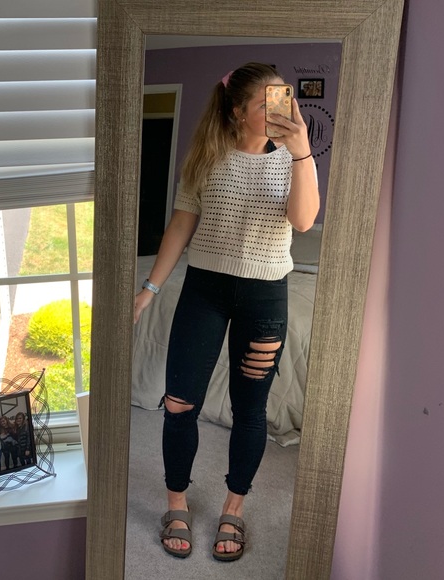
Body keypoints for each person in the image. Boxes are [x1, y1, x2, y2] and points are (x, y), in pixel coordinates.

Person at [134, 62, 319, 561]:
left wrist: (301, 150)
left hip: (265, 297)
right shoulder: (206, 155)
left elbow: (304, 221)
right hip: (205, 290)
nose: (281, 109)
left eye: (284, 98)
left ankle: (233, 510)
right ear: (237, 111)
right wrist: (150, 288)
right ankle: (177, 502)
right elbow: (181, 224)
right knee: (178, 403)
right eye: (267, 102)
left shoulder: (294, 158)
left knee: (250, 410)